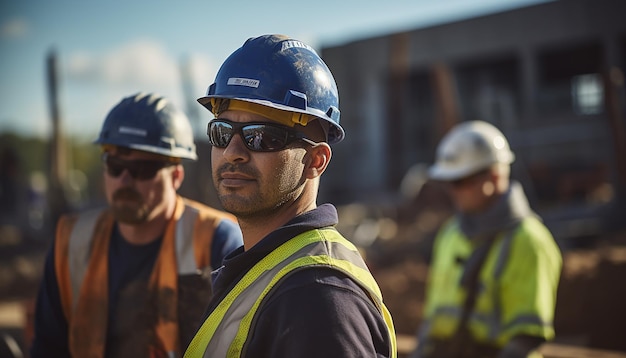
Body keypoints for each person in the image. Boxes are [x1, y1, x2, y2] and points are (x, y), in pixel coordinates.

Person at [183, 34, 397, 358]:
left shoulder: (316, 295)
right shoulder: (269, 269)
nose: (234, 152)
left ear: (315, 161)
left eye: (261, 137)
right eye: (221, 132)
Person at [30, 93, 243, 358]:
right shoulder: (72, 240)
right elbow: (48, 346)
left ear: (176, 175)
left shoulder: (219, 240)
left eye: (143, 168)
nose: (125, 181)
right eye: (115, 165)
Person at [412, 120, 562, 358]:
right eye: (448, 182)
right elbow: (432, 322)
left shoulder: (529, 241)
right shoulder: (451, 233)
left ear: (493, 177)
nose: (452, 190)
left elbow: (525, 338)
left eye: (459, 181)